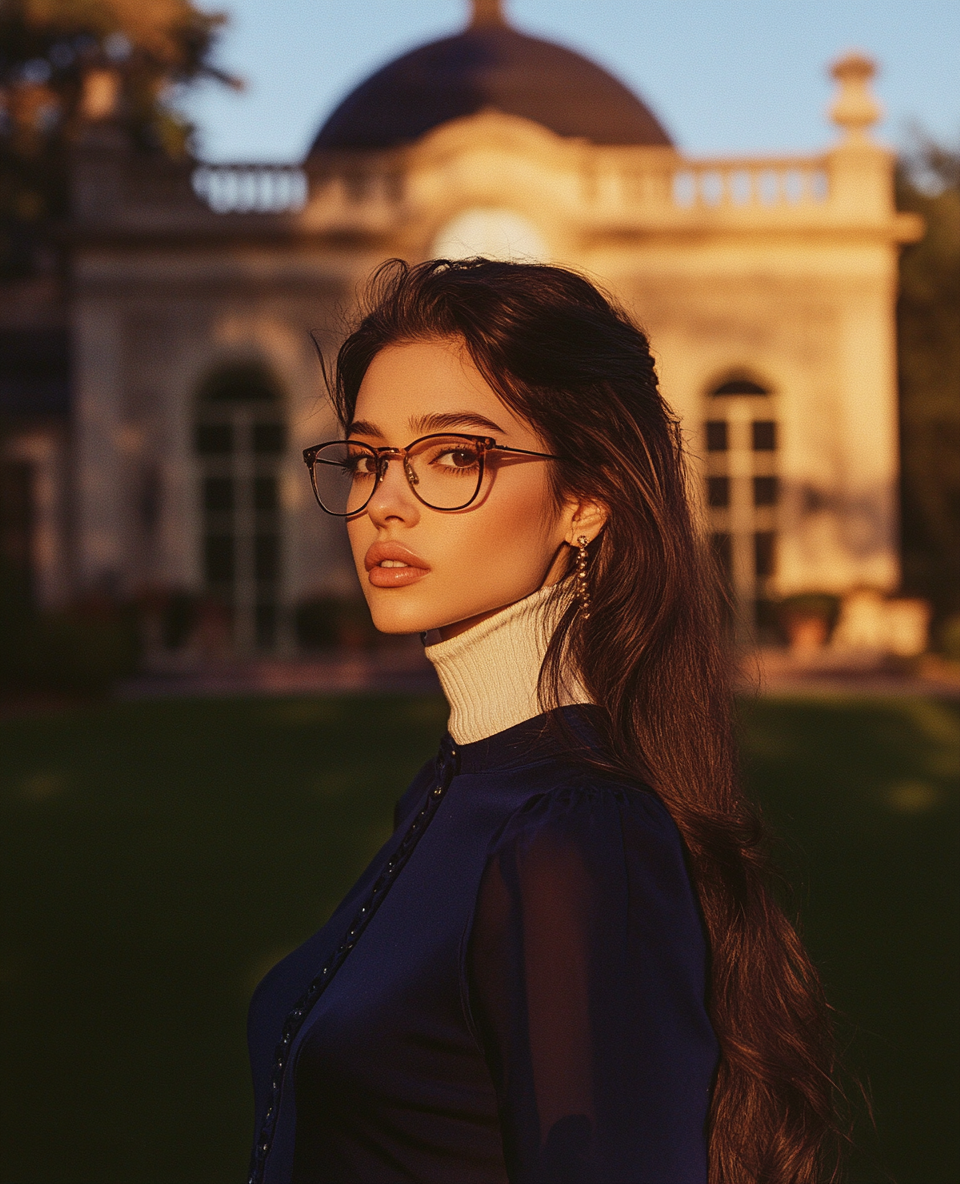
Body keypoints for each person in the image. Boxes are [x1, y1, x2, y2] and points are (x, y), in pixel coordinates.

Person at [247, 259, 840, 1184]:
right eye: (367, 457)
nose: (384, 503)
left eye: (454, 455)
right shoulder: (461, 784)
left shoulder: (574, 832)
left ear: (585, 498)